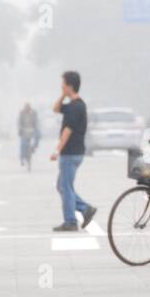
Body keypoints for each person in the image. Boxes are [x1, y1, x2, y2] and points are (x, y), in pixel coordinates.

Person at [51, 71, 95, 231]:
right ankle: (85, 209)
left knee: (66, 187)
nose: (61, 86)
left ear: (70, 86)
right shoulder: (74, 105)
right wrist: (63, 95)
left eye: (63, 84)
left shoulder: (75, 107)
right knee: (62, 186)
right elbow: (56, 108)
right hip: (75, 152)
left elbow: (67, 131)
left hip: (70, 153)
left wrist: (57, 150)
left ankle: (71, 221)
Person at [18, 102, 39, 167]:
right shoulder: (22, 113)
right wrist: (20, 129)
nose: (27, 108)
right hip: (24, 131)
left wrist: (36, 129)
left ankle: (33, 147)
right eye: (26, 107)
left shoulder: (34, 113)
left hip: (32, 131)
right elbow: (19, 122)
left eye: (28, 107)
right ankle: (22, 158)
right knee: (23, 144)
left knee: (38, 135)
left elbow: (36, 122)